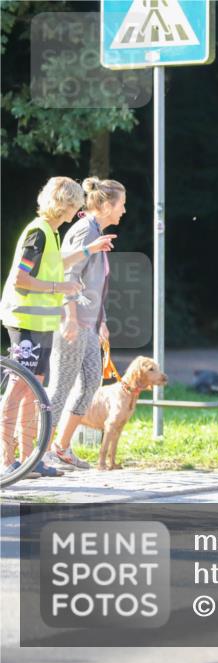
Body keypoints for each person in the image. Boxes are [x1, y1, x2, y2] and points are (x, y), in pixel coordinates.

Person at [0, 178, 113, 479]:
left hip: (42, 323)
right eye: (74, 205)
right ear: (63, 204)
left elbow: (58, 262)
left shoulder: (51, 232)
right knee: (17, 391)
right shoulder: (37, 233)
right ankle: (6, 461)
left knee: (32, 392)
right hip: (24, 321)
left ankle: (29, 459)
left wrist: (88, 250)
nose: (76, 211)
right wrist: (59, 287)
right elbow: (20, 280)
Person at [43, 178, 124, 471]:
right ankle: (36, 452)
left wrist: (100, 321)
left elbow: (94, 284)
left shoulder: (97, 232)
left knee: (90, 382)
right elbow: (67, 275)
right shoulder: (83, 231)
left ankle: (60, 448)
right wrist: (72, 318)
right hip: (72, 323)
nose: (124, 211)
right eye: (121, 204)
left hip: (89, 325)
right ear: (104, 205)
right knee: (60, 387)